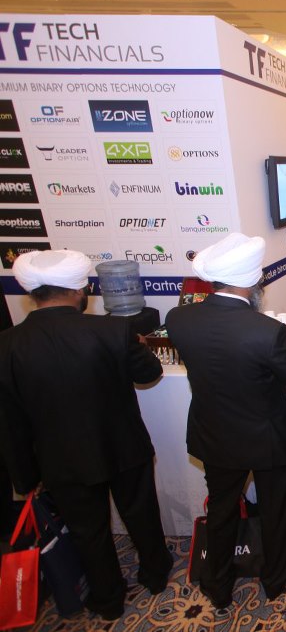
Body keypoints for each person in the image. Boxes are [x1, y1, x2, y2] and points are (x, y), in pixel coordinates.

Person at [0, 249, 169, 620]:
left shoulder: (7, 345)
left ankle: (107, 599)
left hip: (60, 460)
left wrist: (25, 478)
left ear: (33, 295)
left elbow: (9, 422)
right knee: (141, 514)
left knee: (87, 532)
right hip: (123, 447)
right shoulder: (114, 330)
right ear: (80, 291)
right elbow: (149, 374)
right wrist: (140, 347)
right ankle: (156, 575)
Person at [165, 233, 286, 609]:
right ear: (252, 281)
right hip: (268, 440)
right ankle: (275, 580)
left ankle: (217, 585)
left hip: (214, 436)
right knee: (275, 511)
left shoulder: (179, 319)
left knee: (221, 511)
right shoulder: (267, 331)